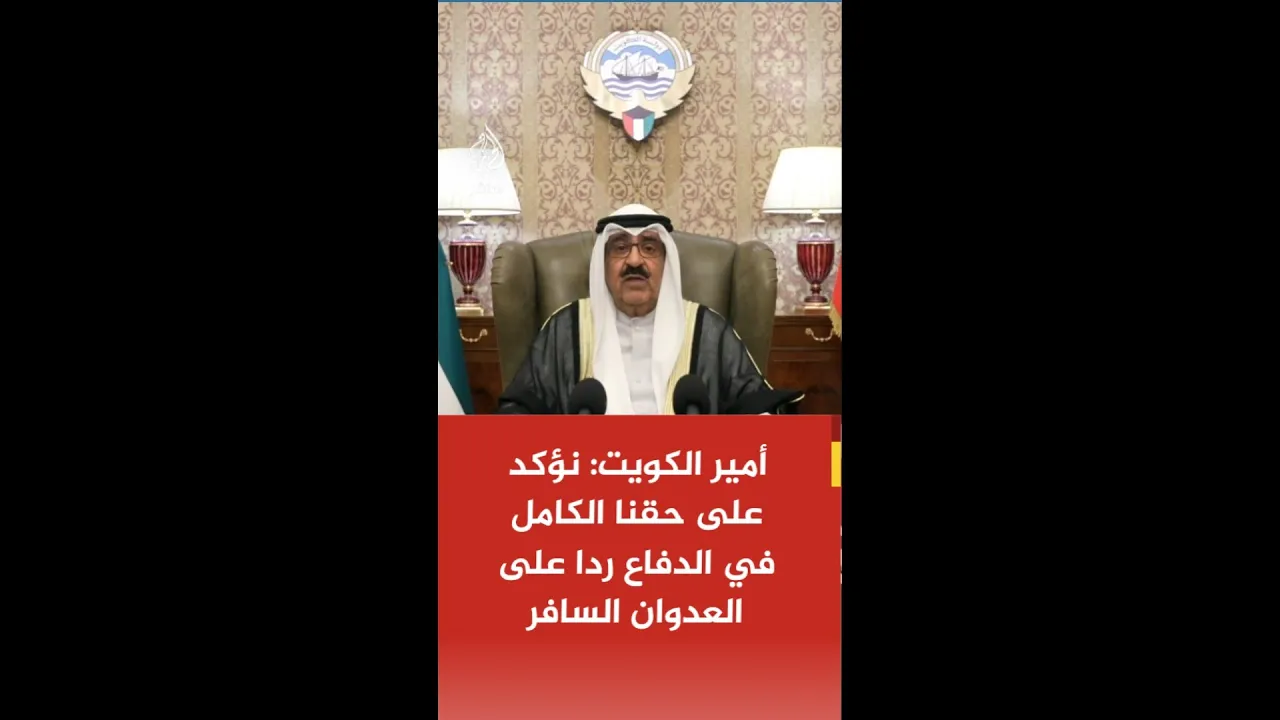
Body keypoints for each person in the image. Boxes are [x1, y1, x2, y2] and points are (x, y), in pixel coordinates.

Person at [498, 204, 802, 415]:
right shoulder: (566, 328)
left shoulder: (707, 329)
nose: (634, 261)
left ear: (666, 263)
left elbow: (754, 402)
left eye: (649, 248)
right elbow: (520, 407)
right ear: (602, 264)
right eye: (620, 248)